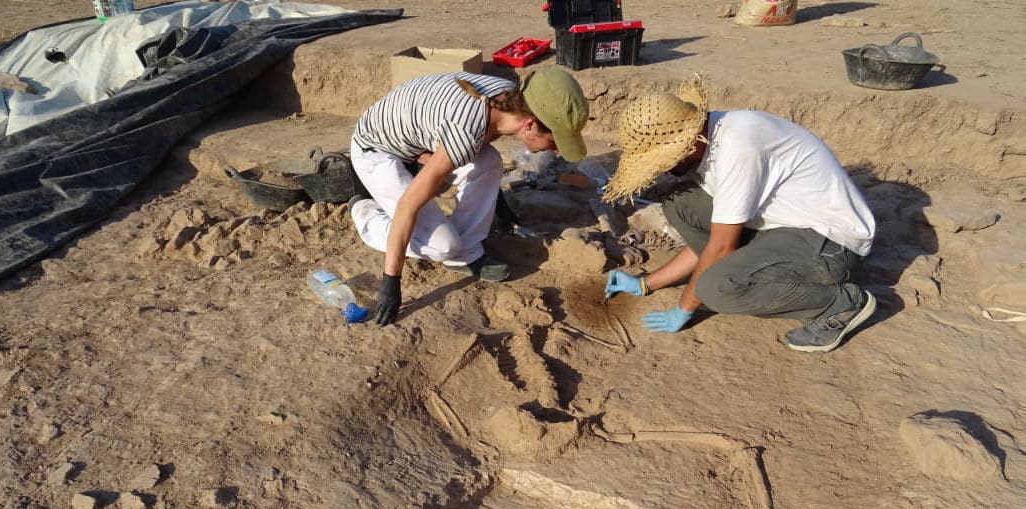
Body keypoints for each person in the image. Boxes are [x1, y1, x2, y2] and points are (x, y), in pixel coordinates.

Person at [602, 77, 876, 353]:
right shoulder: (713, 136)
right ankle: (742, 265)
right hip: (783, 226)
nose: (661, 170)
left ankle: (842, 304)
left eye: (663, 162)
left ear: (687, 144)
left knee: (715, 289)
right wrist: (646, 283)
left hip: (830, 243)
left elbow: (720, 245)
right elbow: (714, 242)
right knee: (681, 203)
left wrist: (683, 308)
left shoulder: (738, 148)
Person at [348, 68, 589, 326]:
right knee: (443, 246)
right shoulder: (466, 131)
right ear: (529, 125)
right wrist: (391, 282)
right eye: (554, 142)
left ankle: (466, 253)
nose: (555, 150)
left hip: (415, 139)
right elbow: (408, 205)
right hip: (375, 150)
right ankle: (365, 212)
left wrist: (497, 202)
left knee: (490, 161)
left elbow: (475, 142)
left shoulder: (509, 97)